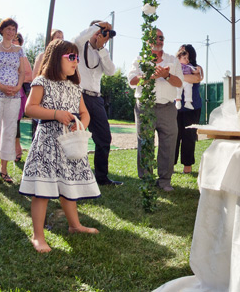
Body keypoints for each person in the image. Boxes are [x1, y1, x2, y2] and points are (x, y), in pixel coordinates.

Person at [19, 39, 100, 251]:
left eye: (77, 58)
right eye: (71, 57)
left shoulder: (75, 87)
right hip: (47, 142)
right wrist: (55, 114)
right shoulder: (41, 81)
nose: (75, 62)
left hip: (69, 145)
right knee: (42, 190)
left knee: (68, 186)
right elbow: (30, 109)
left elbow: (84, 113)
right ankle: (38, 236)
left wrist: (80, 125)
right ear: (57, 59)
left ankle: (75, 225)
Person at [128, 28, 183, 192]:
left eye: (162, 37)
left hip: (167, 107)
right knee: (145, 143)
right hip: (145, 106)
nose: (159, 40)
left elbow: (179, 83)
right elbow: (132, 80)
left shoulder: (172, 59)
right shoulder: (139, 60)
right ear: (147, 40)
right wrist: (151, 75)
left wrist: (166, 76)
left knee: (169, 143)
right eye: (156, 38)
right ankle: (146, 179)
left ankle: (165, 180)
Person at [72, 21, 120, 186]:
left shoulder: (102, 52)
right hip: (79, 96)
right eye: (101, 31)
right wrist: (99, 26)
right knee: (75, 137)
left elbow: (111, 71)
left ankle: (102, 177)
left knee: (104, 138)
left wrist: (101, 48)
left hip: (96, 98)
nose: (103, 35)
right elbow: (79, 37)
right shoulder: (78, 46)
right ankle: (73, 176)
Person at [0, 18, 30, 184]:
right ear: (2, 30)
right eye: (8, 29)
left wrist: (18, 87)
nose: (11, 32)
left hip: (14, 97)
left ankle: (5, 170)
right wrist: (1, 86)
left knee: (10, 132)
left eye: (13, 29)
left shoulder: (19, 50)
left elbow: (22, 71)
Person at [174, 45, 203, 174]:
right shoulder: (175, 66)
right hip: (176, 107)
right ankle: (170, 165)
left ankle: (187, 167)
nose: (181, 53)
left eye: (183, 51)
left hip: (193, 108)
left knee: (189, 137)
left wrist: (176, 76)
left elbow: (196, 78)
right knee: (174, 136)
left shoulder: (196, 68)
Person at [13, 32, 32, 162]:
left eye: (17, 40)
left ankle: (17, 149)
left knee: (15, 123)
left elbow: (29, 75)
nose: (14, 41)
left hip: (16, 93)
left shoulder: (22, 55)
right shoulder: (0, 52)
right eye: (12, 39)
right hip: (0, 92)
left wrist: (16, 81)